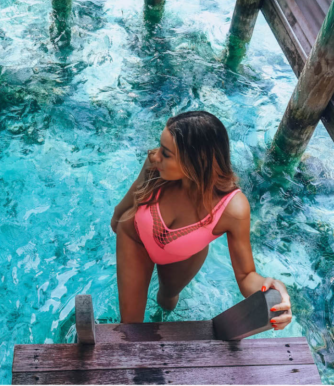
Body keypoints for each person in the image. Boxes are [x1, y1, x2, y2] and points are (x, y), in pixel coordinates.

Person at [111, 111, 293, 329]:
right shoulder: (156, 165)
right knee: (130, 327)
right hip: (135, 239)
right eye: (161, 147)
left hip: (182, 256)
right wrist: (118, 218)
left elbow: (246, 276)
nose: (155, 155)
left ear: (196, 161)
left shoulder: (232, 209)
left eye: (166, 153)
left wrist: (273, 291)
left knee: (166, 300)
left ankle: (160, 320)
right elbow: (128, 201)